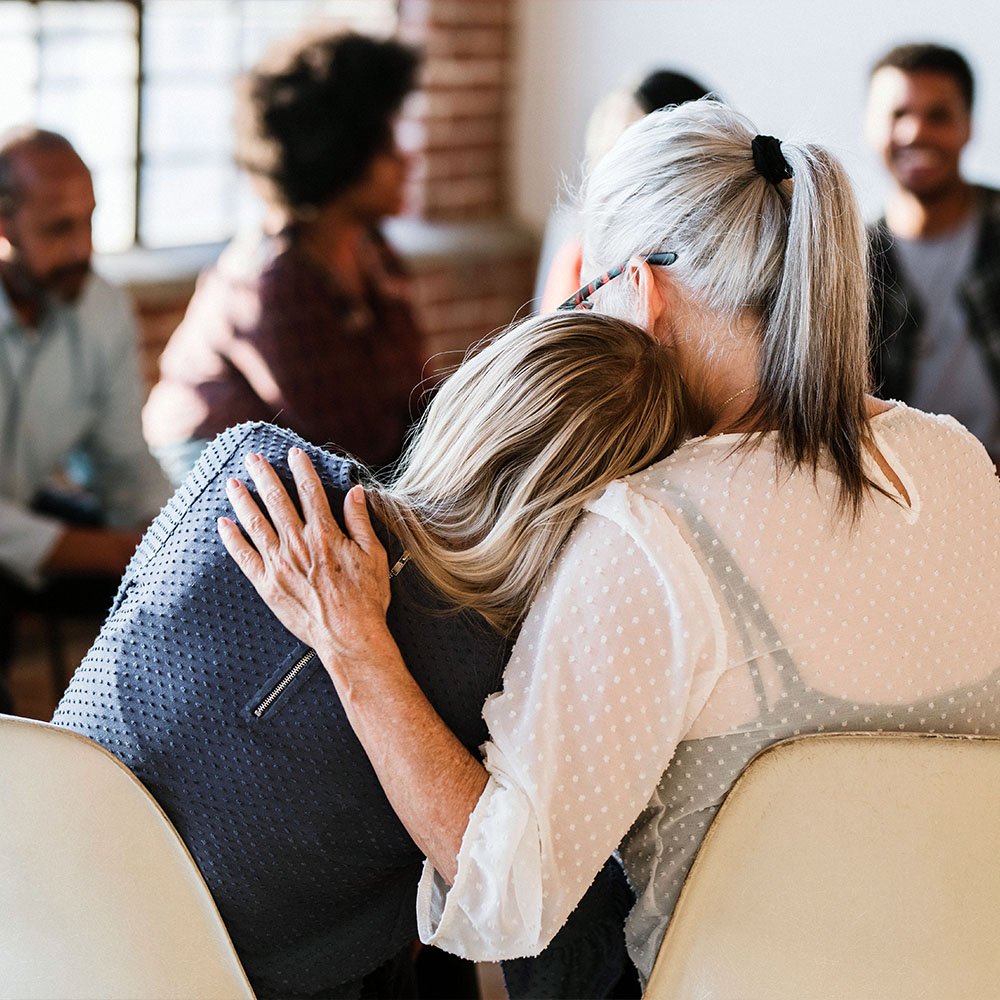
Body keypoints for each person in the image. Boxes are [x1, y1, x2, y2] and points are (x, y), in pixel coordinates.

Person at [225, 100, 1000, 990]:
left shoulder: (654, 530)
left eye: (592, 294)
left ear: (648, 289)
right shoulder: (959, 462)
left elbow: (502, 898)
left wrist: (351, 642)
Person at [55, 309, 688, 998]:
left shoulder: (251, 463)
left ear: (474, 398)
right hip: (216, 977)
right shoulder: (516, 680)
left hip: (41, 891)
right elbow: (548, 946)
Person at [142, 31, 426, 486]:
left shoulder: (371, 249)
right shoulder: (272, 283)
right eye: (388, 147)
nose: (407, 160)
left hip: (321, 459)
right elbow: (354, 445)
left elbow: (414, 392)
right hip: (218, 473)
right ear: (344, 157)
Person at [0, 127, 169, 711]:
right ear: (3, 224)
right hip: (11, 527)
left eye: (89, 221)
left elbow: (121, 459)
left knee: (171, 590)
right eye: (58, 228)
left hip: (25, 510)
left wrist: (169, 540)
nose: (82, 249)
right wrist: (118, 549)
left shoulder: (100, 306)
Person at [866, 43, 1000, 468]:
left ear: (968, 126)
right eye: (898, 114)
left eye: (938, 115)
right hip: (904, 509)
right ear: (870, 126)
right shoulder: (847, 263)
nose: (915, 132)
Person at [534, 69, 712, 312]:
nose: (603, 151)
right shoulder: (576, 243)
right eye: (602, 130)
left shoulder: (694, 266)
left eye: (621, 140)